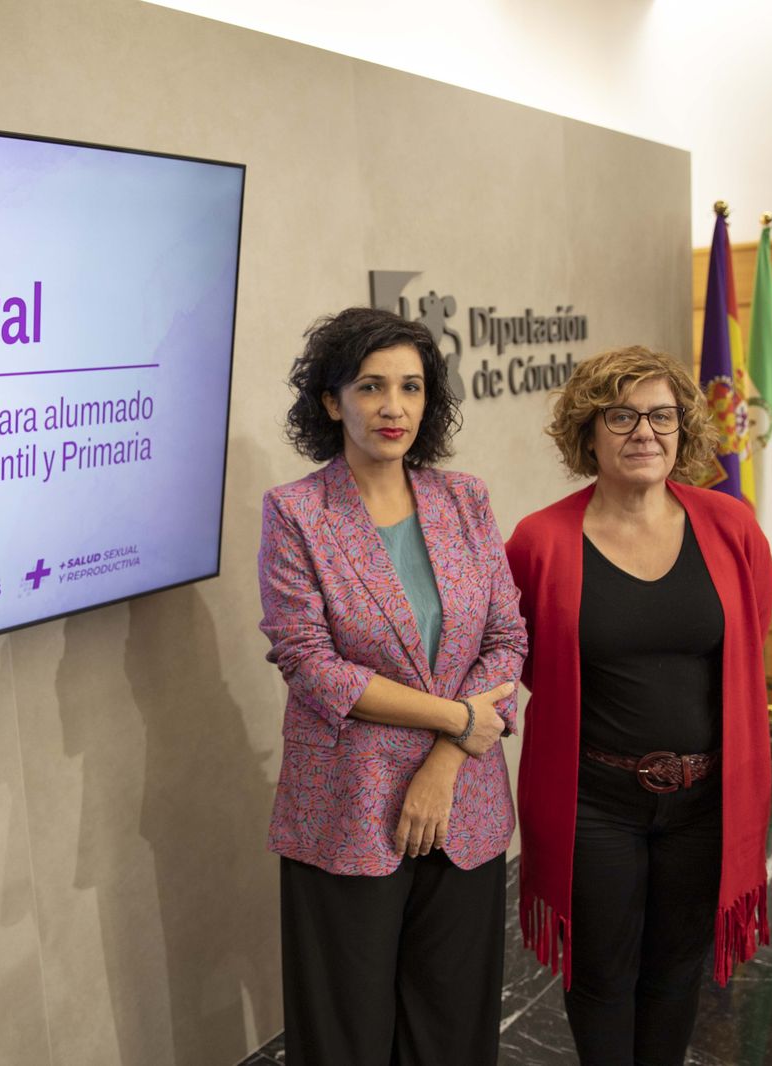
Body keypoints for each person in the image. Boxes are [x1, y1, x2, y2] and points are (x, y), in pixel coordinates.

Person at [258, 307, 527, 1065]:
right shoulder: (297, 513)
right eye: (371, 387)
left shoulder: (463, 499)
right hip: (345, 807)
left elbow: (509, 638)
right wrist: (457, 717)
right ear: (330, 401)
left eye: (410, 387)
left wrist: (446, 758)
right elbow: (312, 665)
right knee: (344, 1035)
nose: (393, 407)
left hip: (464, 803)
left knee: (452, 1030)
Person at [504, 346, 772, 1065]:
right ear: (588, 433)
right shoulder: (540, 540)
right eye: (621, 415)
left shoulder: (731, 527)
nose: (644, 432)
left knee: (676, 971)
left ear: (683, 429)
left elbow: (751, 633)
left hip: (706, 798)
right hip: (594, 798)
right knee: (600, 975)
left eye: (661, 415)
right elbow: (521, 655)